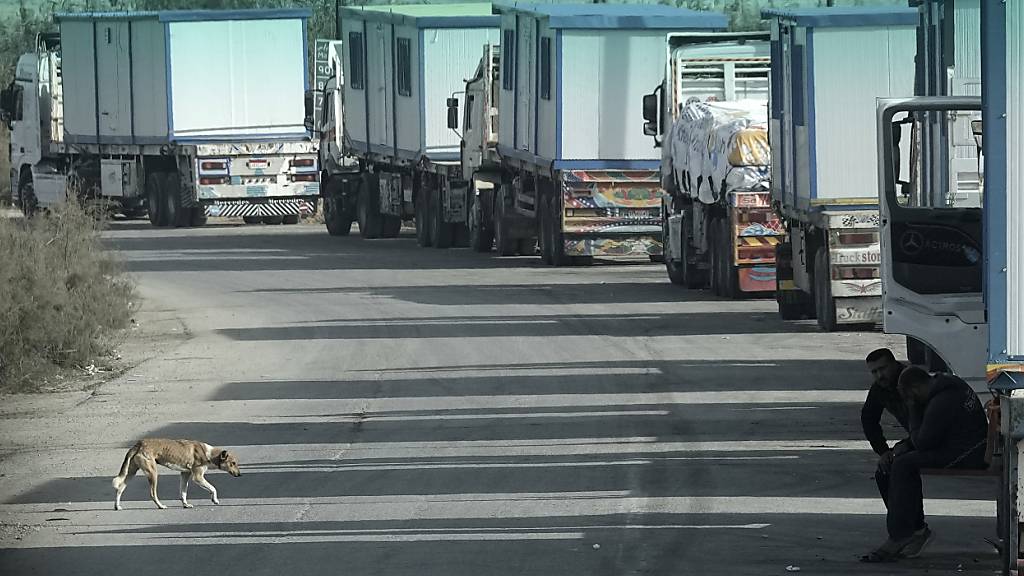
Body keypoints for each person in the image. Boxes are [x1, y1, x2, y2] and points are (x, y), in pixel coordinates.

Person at [860, 367, 989, 562]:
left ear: (914, 390)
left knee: (903, 465)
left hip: (967, 454)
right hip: (959, 445)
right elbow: (927, 435)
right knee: (888, 468)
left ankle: (900, 535)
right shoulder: (945, 383)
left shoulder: (942, 401)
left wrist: (913, 409)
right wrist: (901, 446)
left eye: (908, 397)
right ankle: (916, 529)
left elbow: (922, 442)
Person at [862, 349, 909, 502]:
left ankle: (912, 523)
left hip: (937, 440)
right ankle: (902, 520)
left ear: (894, 364)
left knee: (901, 468)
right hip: (919, 438)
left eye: (883, 369)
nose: (879, 376)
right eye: (874, 372)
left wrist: (907, 445)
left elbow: (931, 422)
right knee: (885, 471)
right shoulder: (879, 388)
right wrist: (883, 451)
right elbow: (868, 419)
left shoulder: (911, 380)